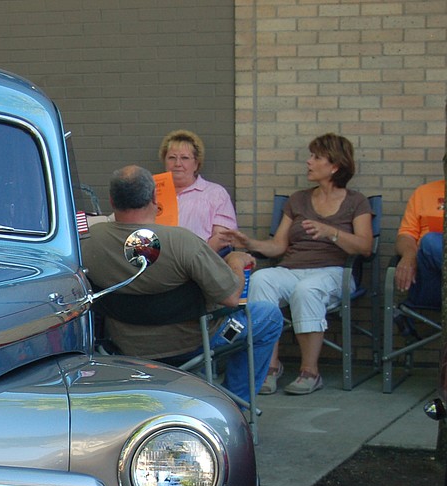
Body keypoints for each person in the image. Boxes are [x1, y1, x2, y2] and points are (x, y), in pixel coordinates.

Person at [82, 165, 282, 408]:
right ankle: (233, 408)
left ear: (112, 200)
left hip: (124, 348)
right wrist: (236, 263)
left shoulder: (88, 242)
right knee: (269, 316)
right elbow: (231, 297)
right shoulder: (183, 242)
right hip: (192, 346)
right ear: (155, 198)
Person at [224, 133, 373, 396]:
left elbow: (365, 247)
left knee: (307, 290)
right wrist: (250, 242)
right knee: (261, 279)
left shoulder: (355, 201)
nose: (308, 161)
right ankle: (269, 367)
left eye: (316, 157)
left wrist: (331, 233)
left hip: (335, 271)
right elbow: (279, 246)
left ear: (335, 166)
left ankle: (310, 372)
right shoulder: (298, 200)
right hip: (292, 269)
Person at [158, 129, 238, 253]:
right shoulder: (150, 192)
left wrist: (195, 260)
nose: (177, 163)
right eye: (172, 158)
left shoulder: (215, 194)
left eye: (185, 158)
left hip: (200, 261)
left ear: (196, 164)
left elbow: (222, 237)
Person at [392, 169, 445, 310]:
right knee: (431, 241)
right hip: (431, 280)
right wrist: (409, 256)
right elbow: (406, 235)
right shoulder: (424, 193)